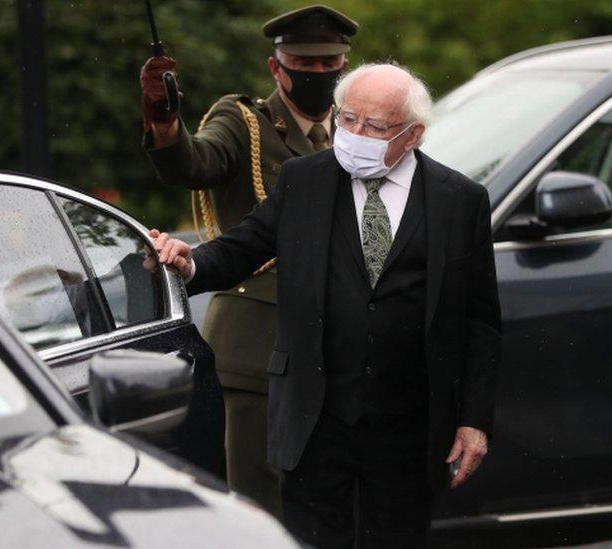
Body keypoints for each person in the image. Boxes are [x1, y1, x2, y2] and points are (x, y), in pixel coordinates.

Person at [152, 63, 501, 548]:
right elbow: (242, 247)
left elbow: (479, 320)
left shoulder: (459, 200)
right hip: (316, 418)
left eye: (374, 126)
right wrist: (190, 264)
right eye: (348, 119)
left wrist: (473, 420)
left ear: (413, 134)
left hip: (411, 424)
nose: (356, 134)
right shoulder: (304, 180)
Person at [139, 5, 359, 518]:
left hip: (335, 345)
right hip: (259, 343)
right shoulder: (245, 123)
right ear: (276, 67)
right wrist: (165, 123)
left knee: (327, 506)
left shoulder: (356, 132)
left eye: (331, 66)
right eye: (305, 65)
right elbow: (194, 162)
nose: (319, 76)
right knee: (258, 505)